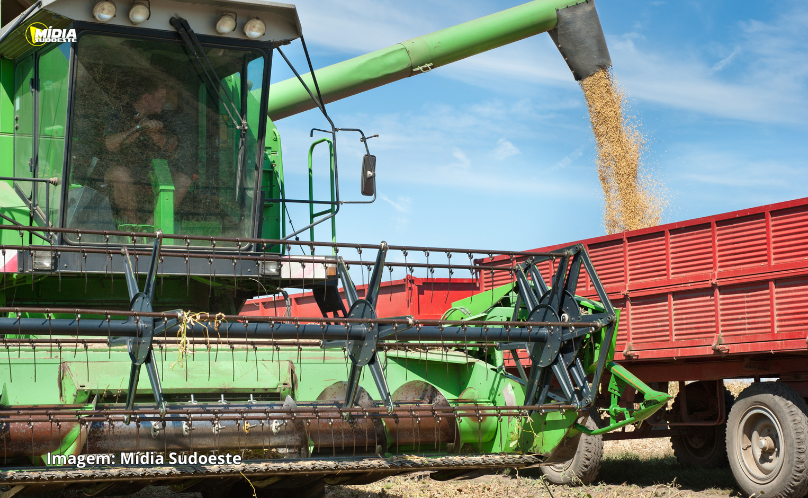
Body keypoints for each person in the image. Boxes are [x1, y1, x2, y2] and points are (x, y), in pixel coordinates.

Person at [103, 80, 191, 226]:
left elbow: (173, 147)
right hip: (119, 173)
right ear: (147, 98)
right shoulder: (119, 113)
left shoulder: (162, 118)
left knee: (183, 180)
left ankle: (151, 228)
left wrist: (154, 135)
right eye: (161, 98)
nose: (164, 102)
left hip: (151, 175)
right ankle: (134, 231)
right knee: (120, 174)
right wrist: (139, 129)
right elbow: (110, 144)